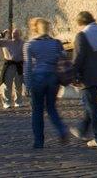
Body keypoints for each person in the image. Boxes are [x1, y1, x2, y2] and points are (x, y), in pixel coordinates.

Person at [69, 11, 97, 148]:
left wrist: (71, 75)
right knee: (91, 103)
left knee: (92, 106)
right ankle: (82, 129)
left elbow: (78, 58)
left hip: (88, 76)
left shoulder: (82, 36)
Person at [23, 18, 68, 148]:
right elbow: (63, 58)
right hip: (53, 78)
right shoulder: (56, 43)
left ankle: (38, 141)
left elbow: (28, 65)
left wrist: (27, 84)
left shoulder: (30, 44)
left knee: (37, 110)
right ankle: (61, 129)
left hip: (38, 77)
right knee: (51, 107)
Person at [0, 28, 25, 109]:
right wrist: (2, 34)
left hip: (19, 65)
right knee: (7, 84)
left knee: (18, 85)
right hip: (9, 65)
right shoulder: (6, 42)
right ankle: (6, 102)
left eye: (17, 33)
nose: (15, 35)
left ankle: (18, 101)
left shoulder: (23, 43)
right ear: (11, 34)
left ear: (20, 34)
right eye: (14, 33)